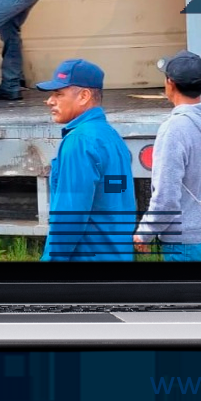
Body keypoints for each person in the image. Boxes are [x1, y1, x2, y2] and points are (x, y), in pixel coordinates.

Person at [36, 59, 136, 261]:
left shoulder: (79, 142)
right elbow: (117, 200)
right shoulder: (110, 137)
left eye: (58, 94)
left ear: (84, 96)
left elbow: (70, 215)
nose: (50, 101)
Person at [133, 50, 201, 261]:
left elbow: (166, 197)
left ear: (170, 83)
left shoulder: (174, 129)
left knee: (182, 294)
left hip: (185, 239)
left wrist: (145, 233)